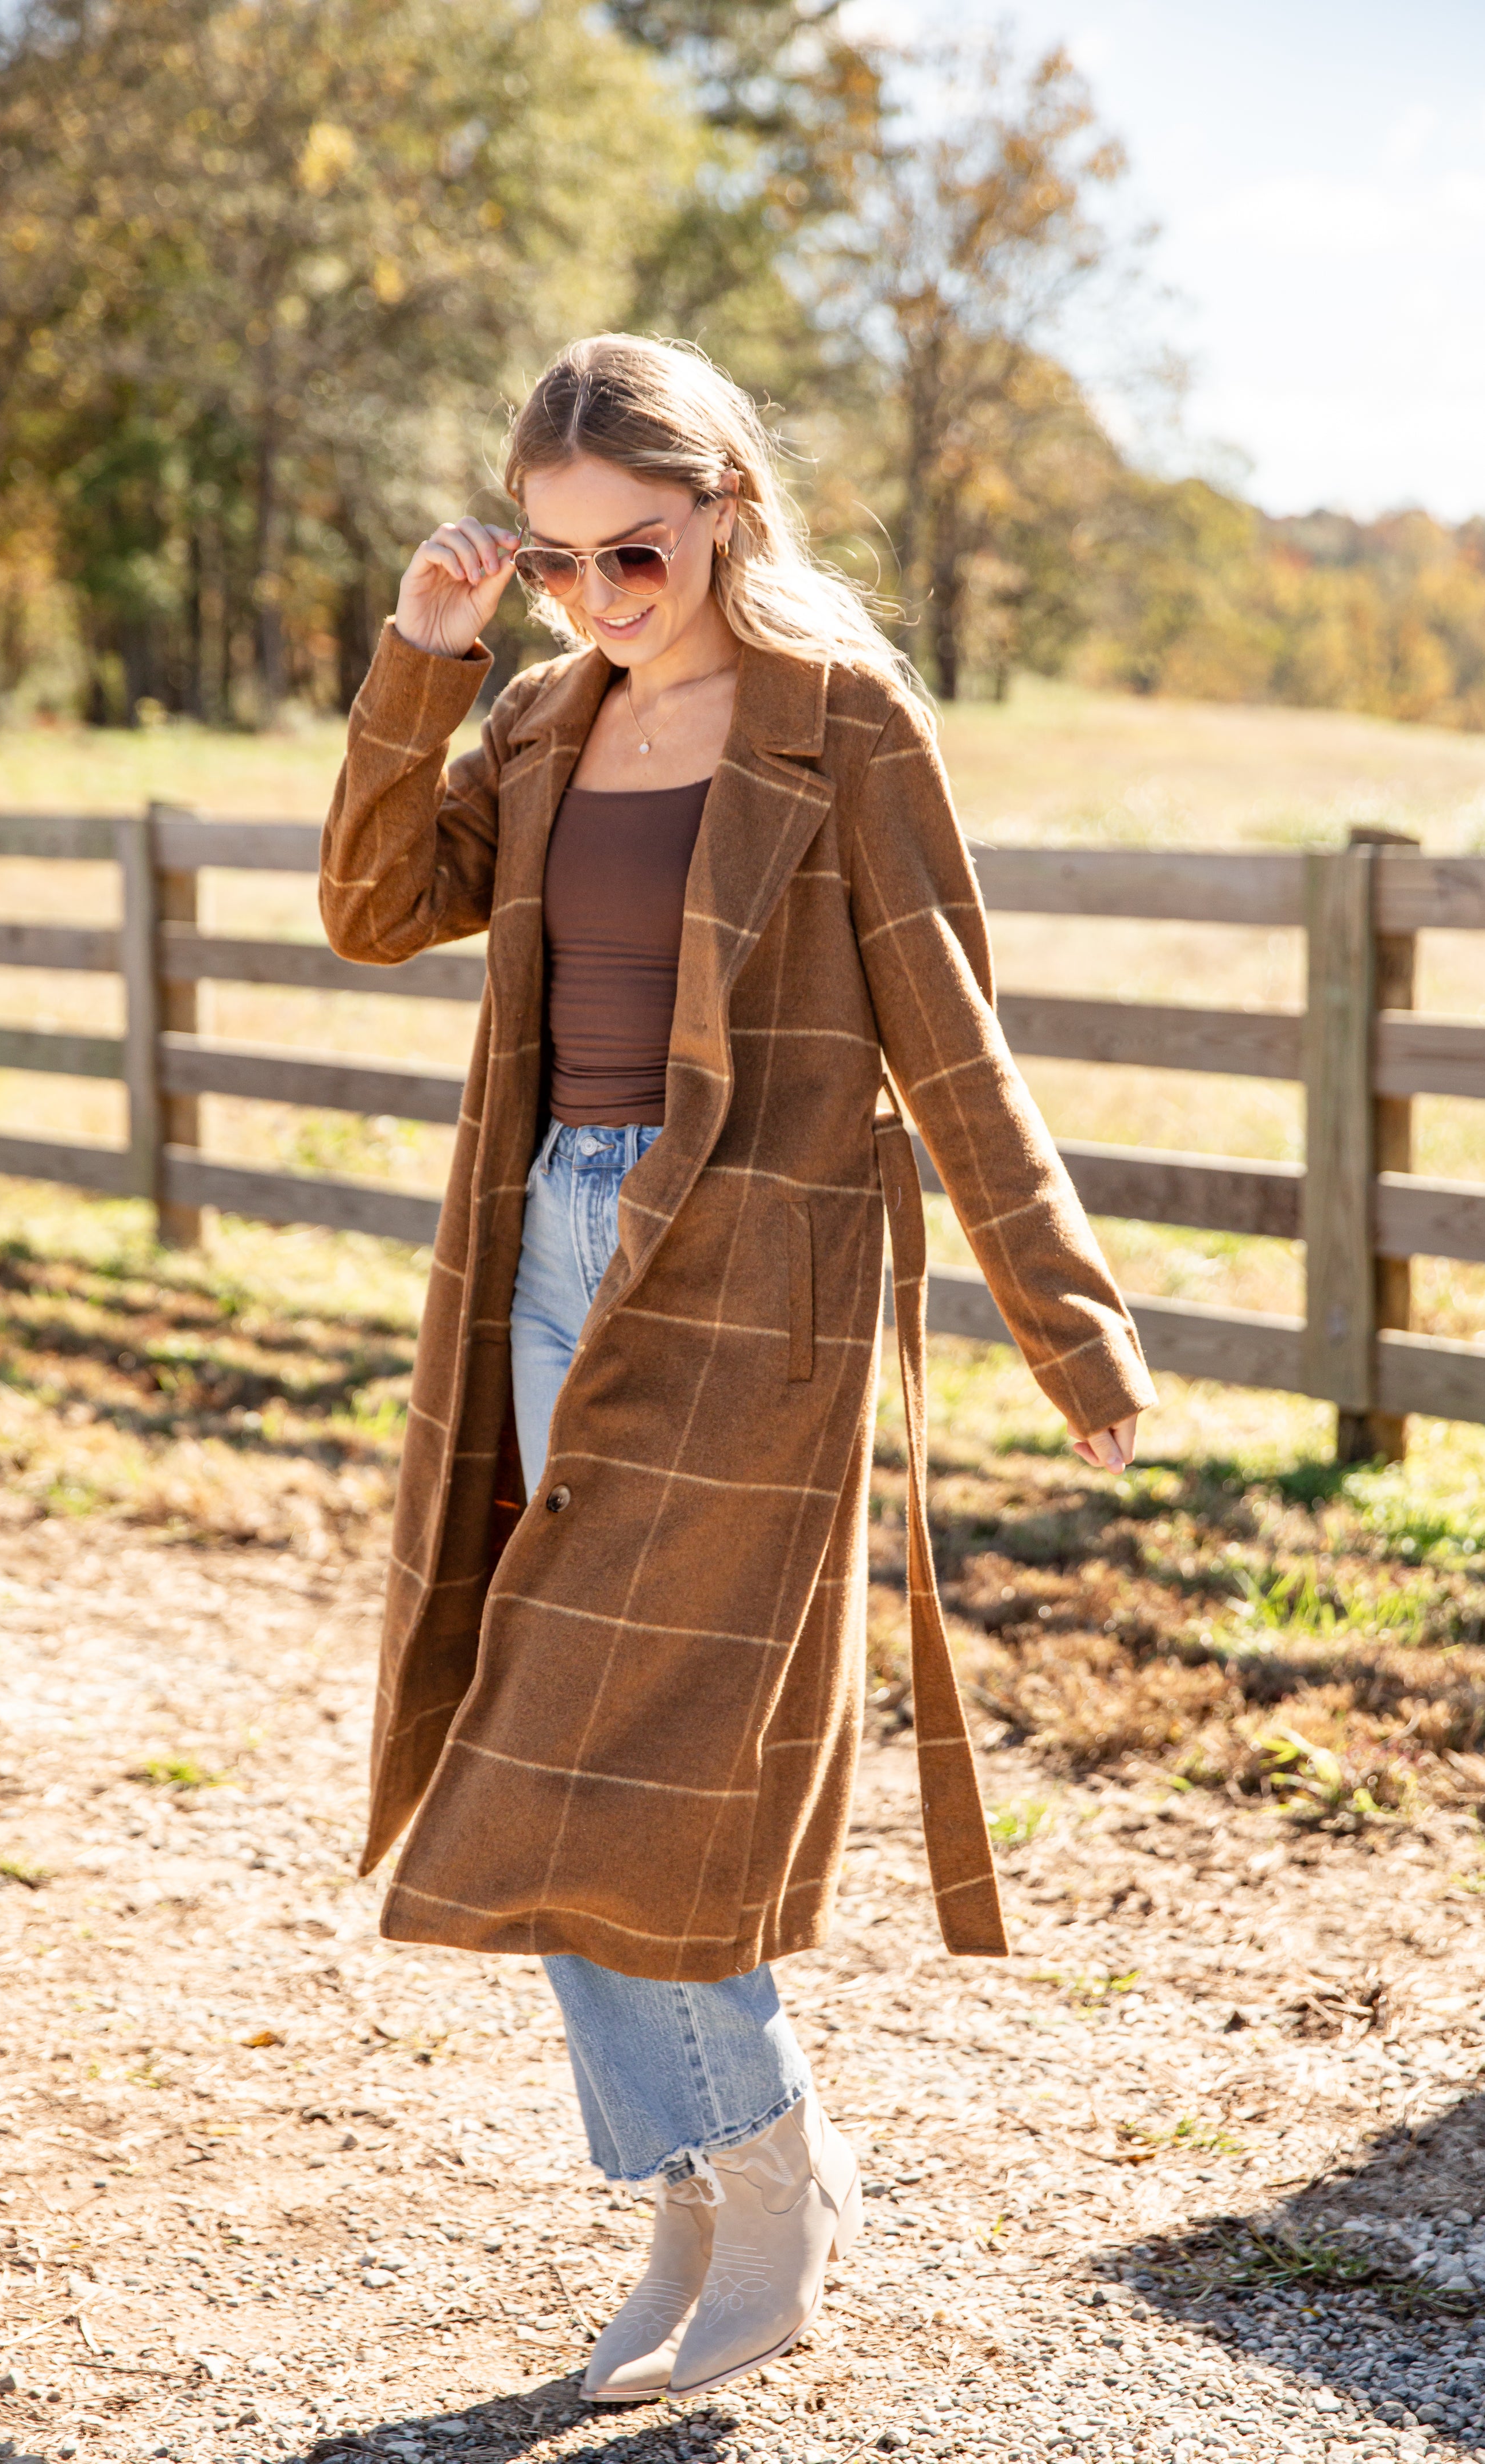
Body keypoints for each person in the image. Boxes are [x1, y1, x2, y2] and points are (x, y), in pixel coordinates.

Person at [320, 333, 1155, 2403]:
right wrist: (424, 662)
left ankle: (767, 2179)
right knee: (548, 1750)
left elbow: (948, 1028)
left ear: (723, 509)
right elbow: (370, 908)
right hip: (544, 1259)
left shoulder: (838, 719)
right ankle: (702, 2201)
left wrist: (1065, 1316)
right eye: (557, 562)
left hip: (745, 1288)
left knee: (608, 1757)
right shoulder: (535, 718)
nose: (603, 596)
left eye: (638, 551)